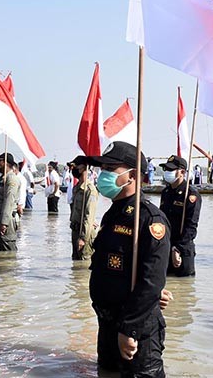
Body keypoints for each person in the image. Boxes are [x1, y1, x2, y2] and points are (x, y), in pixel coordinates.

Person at [87, 141, 170, 376]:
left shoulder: (149, 219)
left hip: (136, 331)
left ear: (132, 175)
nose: (102, 174)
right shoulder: (114, 213)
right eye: (102, 168)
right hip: (108, 323)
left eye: (110, 169)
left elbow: (152, 281)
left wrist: (129, 330)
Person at [159, 155, 201, 277]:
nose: (167, 172)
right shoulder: (166, 192)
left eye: (171, 170)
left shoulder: (191, 195)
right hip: (166, 246)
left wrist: (177, 248)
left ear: (182, 172)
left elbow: (191, 226)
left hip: (183, 248)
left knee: (184, 284)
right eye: (166, 169)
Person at [0, 153, 20, 251]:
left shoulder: (11, 178)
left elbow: (9, 200)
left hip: (6, 219)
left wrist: (4, 222)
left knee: (7, 250)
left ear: (6, 163)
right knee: (0, 249)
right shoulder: (3, 178)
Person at [69, 156, 97, 260]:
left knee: (83, 262)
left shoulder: (90, 190)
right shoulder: (76, 188)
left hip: (84, 233)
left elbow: (89, 216)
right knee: (75, 261)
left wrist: (83, 238)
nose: (73, 170)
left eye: (75, 167)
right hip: (75, 230)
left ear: (84, 168)